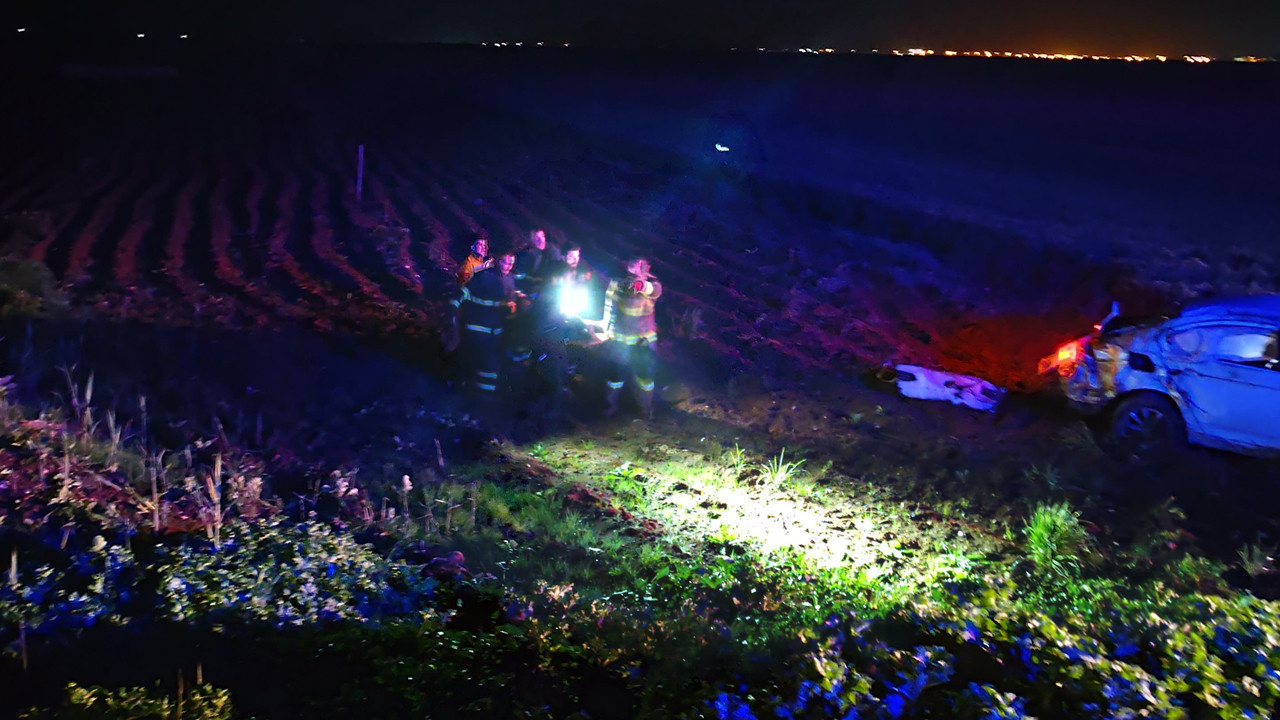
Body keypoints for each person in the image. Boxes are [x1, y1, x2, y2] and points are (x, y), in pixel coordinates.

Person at [449, 246, 518, 406]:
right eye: (504, 262)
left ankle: (481, 402)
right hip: (477, 329)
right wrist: (451, 316)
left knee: (489, 368)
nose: (507, 266)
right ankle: (463, 398)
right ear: (496, 261)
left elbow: (507, 303)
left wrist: (513, 306)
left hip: (495, 332)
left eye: (511, 263)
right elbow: (461, 294)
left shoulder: (509, 279)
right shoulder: (483, 277)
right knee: (477, 364)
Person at [596, 257, 662, 419]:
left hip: (643, 340)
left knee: (644, 376)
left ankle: (645, 410)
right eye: (632, 263)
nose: (635, 267)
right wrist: (606, 328)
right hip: (621, 337)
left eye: (640, 265)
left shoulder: (653, 283)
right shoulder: (617, 283)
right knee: (615, 375)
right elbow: (609, 306)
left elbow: (652, 290)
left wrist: (640, 284)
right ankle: (610, 407)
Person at [513, 229, 563, 300]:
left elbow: (557, 270)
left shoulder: (553, 251)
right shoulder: (526, 253)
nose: (541, 240)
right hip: (529, 289)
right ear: (531, 240)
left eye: (542, 236)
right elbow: (519, 274)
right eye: (537, 238)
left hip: (548, 289)